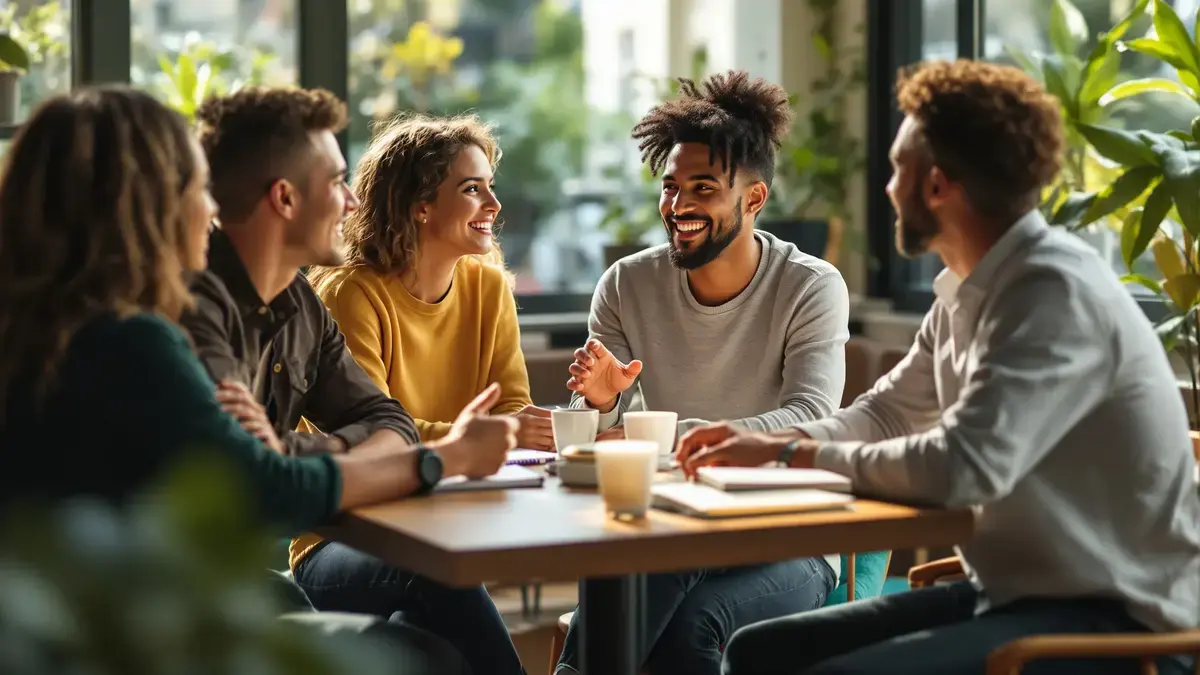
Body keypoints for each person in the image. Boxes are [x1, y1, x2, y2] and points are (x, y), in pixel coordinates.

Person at [677, 60, 1200, 675]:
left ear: (937, 185)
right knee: (762, 651)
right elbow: (887, 414)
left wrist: (791, 456)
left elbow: (963, 466)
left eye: (898, 169)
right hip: (1016, 596)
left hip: (1121, 621)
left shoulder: (1050, 291)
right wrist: (765, 441)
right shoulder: (967, 290)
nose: (889, 188)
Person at [0, 86, 509, 675]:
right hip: (117, 625)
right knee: (421, 653)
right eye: (197, 190)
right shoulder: (130, 339)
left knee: (426, 647)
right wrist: (440, 460)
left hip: (128, 605)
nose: (211, 210)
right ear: (153, 205)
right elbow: (255, 490)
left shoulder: (62, 328)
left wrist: (286, 448)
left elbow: (362, 428)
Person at [182, 87, 527, 675]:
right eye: (338, 183)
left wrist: (298, 447)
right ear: (285, 198)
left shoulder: (298, 305)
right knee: (435, 587)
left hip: (250, 575)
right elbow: (252, 481)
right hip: (185, 594)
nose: (351, 202)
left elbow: (388, 421)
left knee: (436, 655)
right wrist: (435, 458)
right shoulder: (190, 309)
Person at [558, 70, 851, 675]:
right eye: (670, 188)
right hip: (676, 521)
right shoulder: (626, 284)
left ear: (752, 198)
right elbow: (603, 430)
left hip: (789, 532)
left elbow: (810, 417)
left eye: (702, 188)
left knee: (683, 610)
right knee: (658, 585)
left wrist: (676, 440)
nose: (678, 206)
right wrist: (604, 403)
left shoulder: (810, 287)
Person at [305, 112, 553, 451]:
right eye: (472, 189)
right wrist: (482, 435)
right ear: (422, 207)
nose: (494, 204)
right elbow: (369, 429)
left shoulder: (490, 288)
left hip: (459, 475)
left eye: (490, 187)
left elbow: (511, 407)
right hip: (360, 483)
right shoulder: (352, 293)